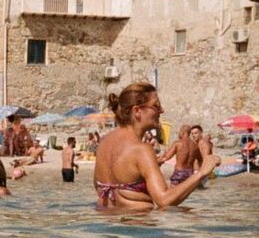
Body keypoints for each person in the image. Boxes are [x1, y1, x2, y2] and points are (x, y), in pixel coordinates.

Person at [94, 82, 220, 210]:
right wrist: (201, 173)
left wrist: (146, 168)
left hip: (106, 220)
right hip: (136, 225)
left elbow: (101, 186)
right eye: (156, 106)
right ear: (137, 111)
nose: (162, 111)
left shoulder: (103, 143)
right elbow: (164, 200)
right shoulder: (141, 149)